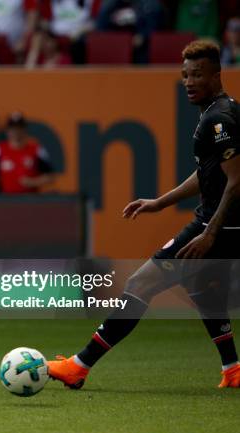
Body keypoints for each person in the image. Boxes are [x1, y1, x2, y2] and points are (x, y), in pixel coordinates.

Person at [48, 40, 240, 389]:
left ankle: (79, 366)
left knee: (140, 283)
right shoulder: (220, 111)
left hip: (221, 224)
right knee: (199, 283)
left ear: (216, 74)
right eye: (185, 75)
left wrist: (211, 233)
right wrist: (161, 202)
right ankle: (232, 368)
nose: (189, 81)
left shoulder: (219, 119)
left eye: (197, 74)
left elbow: (237, 180)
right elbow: (209, 173)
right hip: (217, 221)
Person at [0, 112, 54, 193]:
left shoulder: (37, 149)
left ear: (25, 129)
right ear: (7, 130)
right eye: (12, 128)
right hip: (5, 200)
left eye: (19, 128)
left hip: (30, 200)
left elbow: (50, 176)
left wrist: (33, 182)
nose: (16, 131)